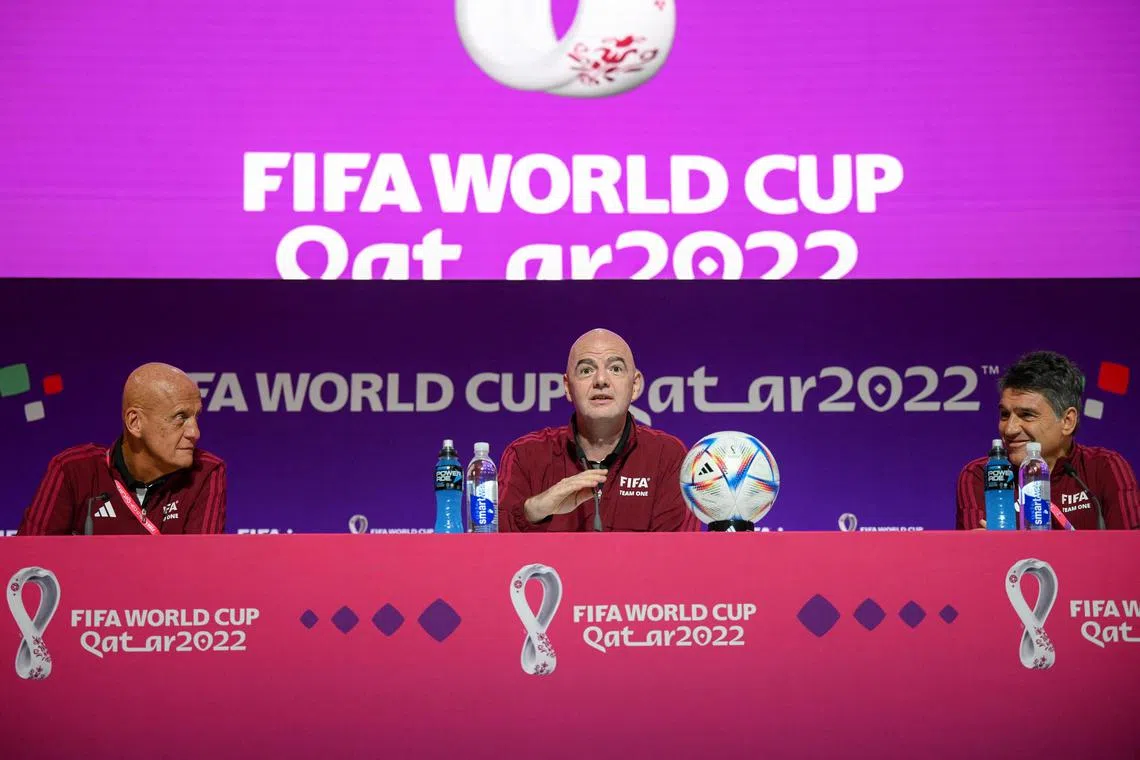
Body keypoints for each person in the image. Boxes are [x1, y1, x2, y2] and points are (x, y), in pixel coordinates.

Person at [498, 329, 697, 532]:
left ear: (635, 385)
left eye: (615, 368)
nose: (601, 380)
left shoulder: (667, 456)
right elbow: (489, 541)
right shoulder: (526, 455)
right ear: (568, 387)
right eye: (586, 370)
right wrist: (534, 511)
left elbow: (680, 548)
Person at [18, 363, 226, 535]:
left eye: (196, 416)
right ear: (135, 422)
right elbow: (26, 562)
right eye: (180, 417)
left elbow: (202, 566)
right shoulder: (73, 470)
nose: (195, 432)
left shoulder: (205, 472)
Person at [956, 351, 1139, 530]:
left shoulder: (1105, 467)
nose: (1010, 429)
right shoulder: (982, 475)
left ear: (1067, 421)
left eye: (1027, 415)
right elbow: (976, 549)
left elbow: (1131, 547)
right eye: (1005, 414)